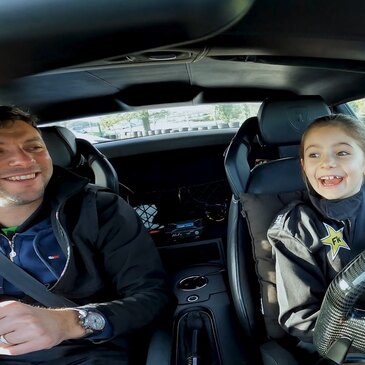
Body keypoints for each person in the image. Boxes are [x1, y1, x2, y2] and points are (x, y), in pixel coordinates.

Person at [0, 105, 172, 364]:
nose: (25, 161)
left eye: (34, 147)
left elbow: (153, 297)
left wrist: (70, 323)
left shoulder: (99, 210)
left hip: (88, 353)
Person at [267, 114, 365, 351]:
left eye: (342, 152)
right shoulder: (295, 228)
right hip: (340, 345)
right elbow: (299, 317)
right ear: (304, 166)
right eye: (314, 155)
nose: (327, 162)